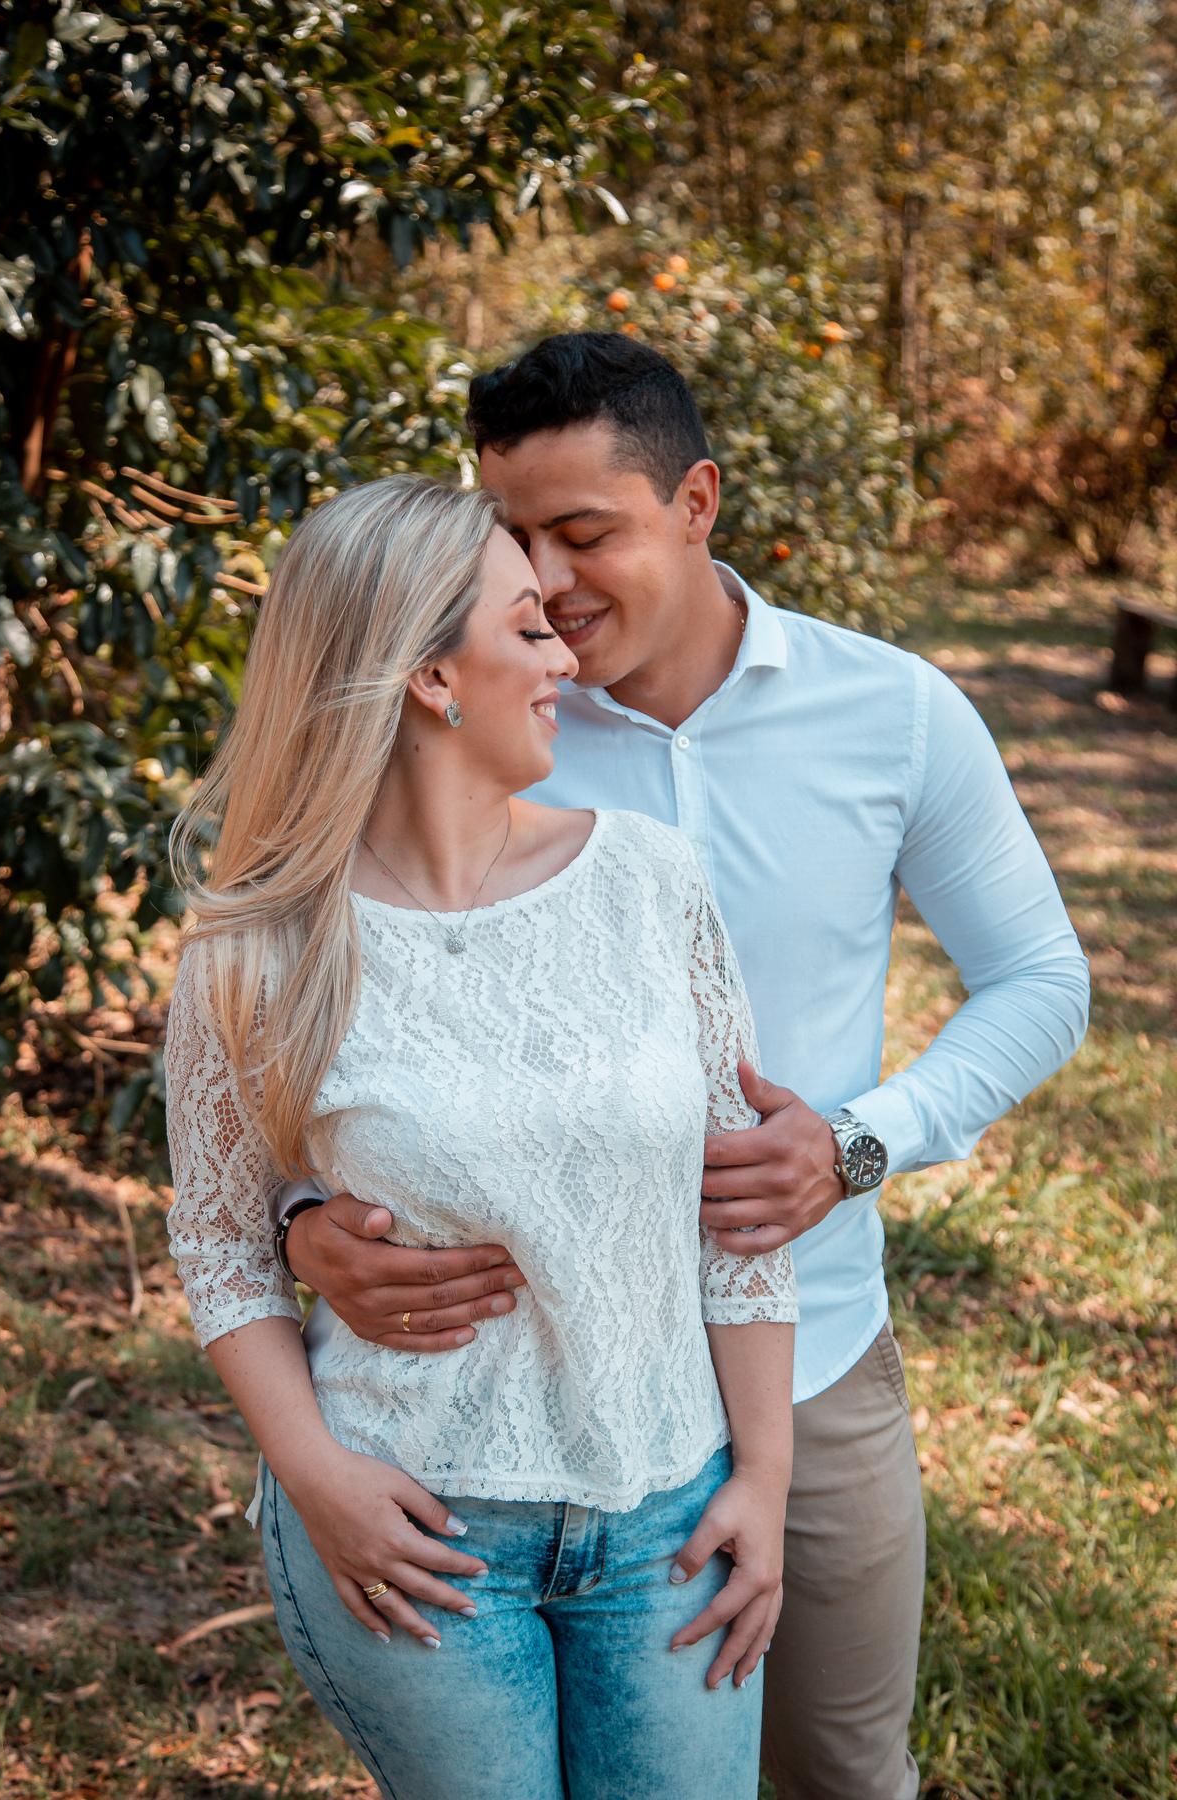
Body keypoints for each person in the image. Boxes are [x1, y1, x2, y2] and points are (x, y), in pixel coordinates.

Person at [276, 334, 1091, 1798]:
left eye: (584, 532)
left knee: (842, 1771)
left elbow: (1040, 981)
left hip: (809, 1350)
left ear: (697, 501)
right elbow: (311, 1014)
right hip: (528, 1394)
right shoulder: (478, 713)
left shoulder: (895, 712)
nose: (548, 583)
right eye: (514, 538)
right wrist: (299, 1224)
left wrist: (856, 1142)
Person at [164, 474, 800, 1800]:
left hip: (670, 1521)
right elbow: (222, 1244)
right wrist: (315, 1477)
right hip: (410, 1526)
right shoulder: (257, 947)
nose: (566, 656)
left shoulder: (651, 880)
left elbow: (736, 1212)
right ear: (429, 677)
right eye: (528, 628)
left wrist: (765, 1478)